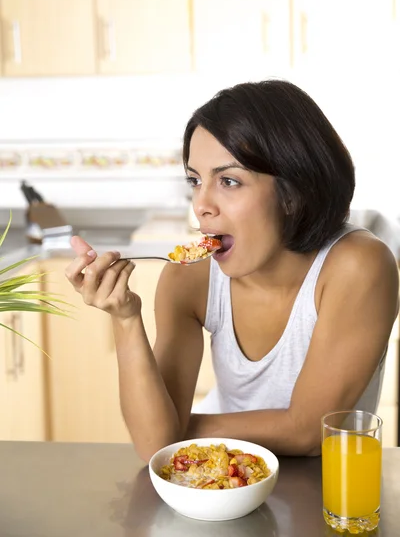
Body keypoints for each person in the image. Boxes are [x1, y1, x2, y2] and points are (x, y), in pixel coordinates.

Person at [66, 80, 399, 463]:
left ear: (293, 193)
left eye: (228, 181)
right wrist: (124, 317)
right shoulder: (188, 276)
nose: (201, 205)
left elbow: (308, 430)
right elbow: (151, 446)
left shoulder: (358, 266)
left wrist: (176, 429)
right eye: (195, 180)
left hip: (330, 489)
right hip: (221, 476)